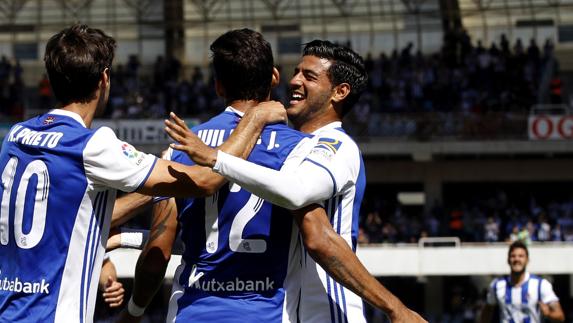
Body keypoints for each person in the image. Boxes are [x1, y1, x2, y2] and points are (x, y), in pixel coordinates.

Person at [0, 24, 283, 323]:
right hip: (53, 315)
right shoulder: (92, 145)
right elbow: (206, 180)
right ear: (104, 78)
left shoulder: (16, 135)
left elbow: (70, 215)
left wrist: (128, 226)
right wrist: (255, 119)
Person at [147, 40, 425, 322]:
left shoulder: (335, 145)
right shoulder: (292, 145)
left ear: (340, 92)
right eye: (295, 72)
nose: (295, 81)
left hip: (330, 310)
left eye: (309, 76)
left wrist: (217, 159)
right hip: (288, 310)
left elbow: (301, 203)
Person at [119, 28, 310, 323]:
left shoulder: (182, 148)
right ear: (274, 76)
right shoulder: (298, 150)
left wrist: (134, 311)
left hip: (193, 312)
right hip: (268, 313)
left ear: (219, 86)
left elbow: (158, 253)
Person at [480, 241, 565, 323]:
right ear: (508, 260)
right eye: (513, 256)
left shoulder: (541, 285)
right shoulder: (497, 285)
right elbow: (487, 312)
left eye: (521, 256)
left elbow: (560, 317)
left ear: (527, 260)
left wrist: (548, 314)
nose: (516, 259)